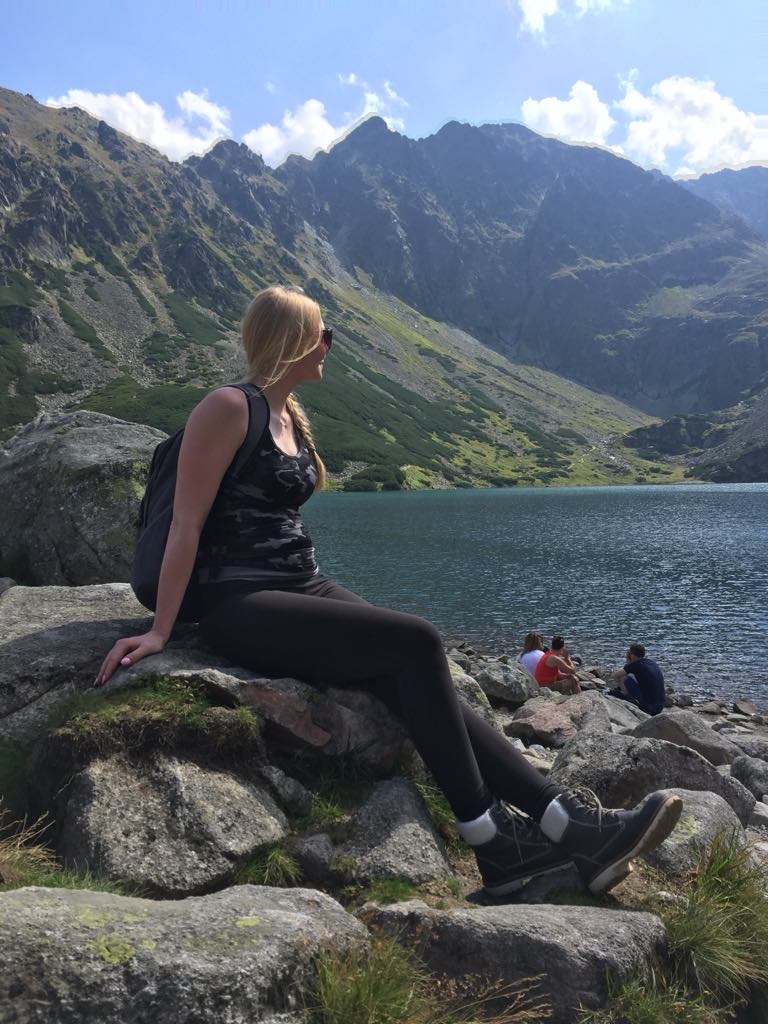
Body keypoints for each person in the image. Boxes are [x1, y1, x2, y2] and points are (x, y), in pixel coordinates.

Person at [95, 286, 682, 898]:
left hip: (300, 584)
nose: (329, 345)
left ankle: (567, 824)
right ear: (293, 339)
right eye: (323, 334)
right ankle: (489, 836)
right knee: (419, 639)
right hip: (237, 601)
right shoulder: (227, 407)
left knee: (414, 671)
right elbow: (186, 526)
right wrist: (160, 631)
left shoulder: (288, 413)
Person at [609, 643, 666, 716]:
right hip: (660, 706)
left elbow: (614, 675)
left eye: (629, 653)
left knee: (623, 677)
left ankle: (624, 694)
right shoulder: (651, 662)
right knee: (632, 676)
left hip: (650, 708)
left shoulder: (636, 664)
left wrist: (628, 663)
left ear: (632, 655)